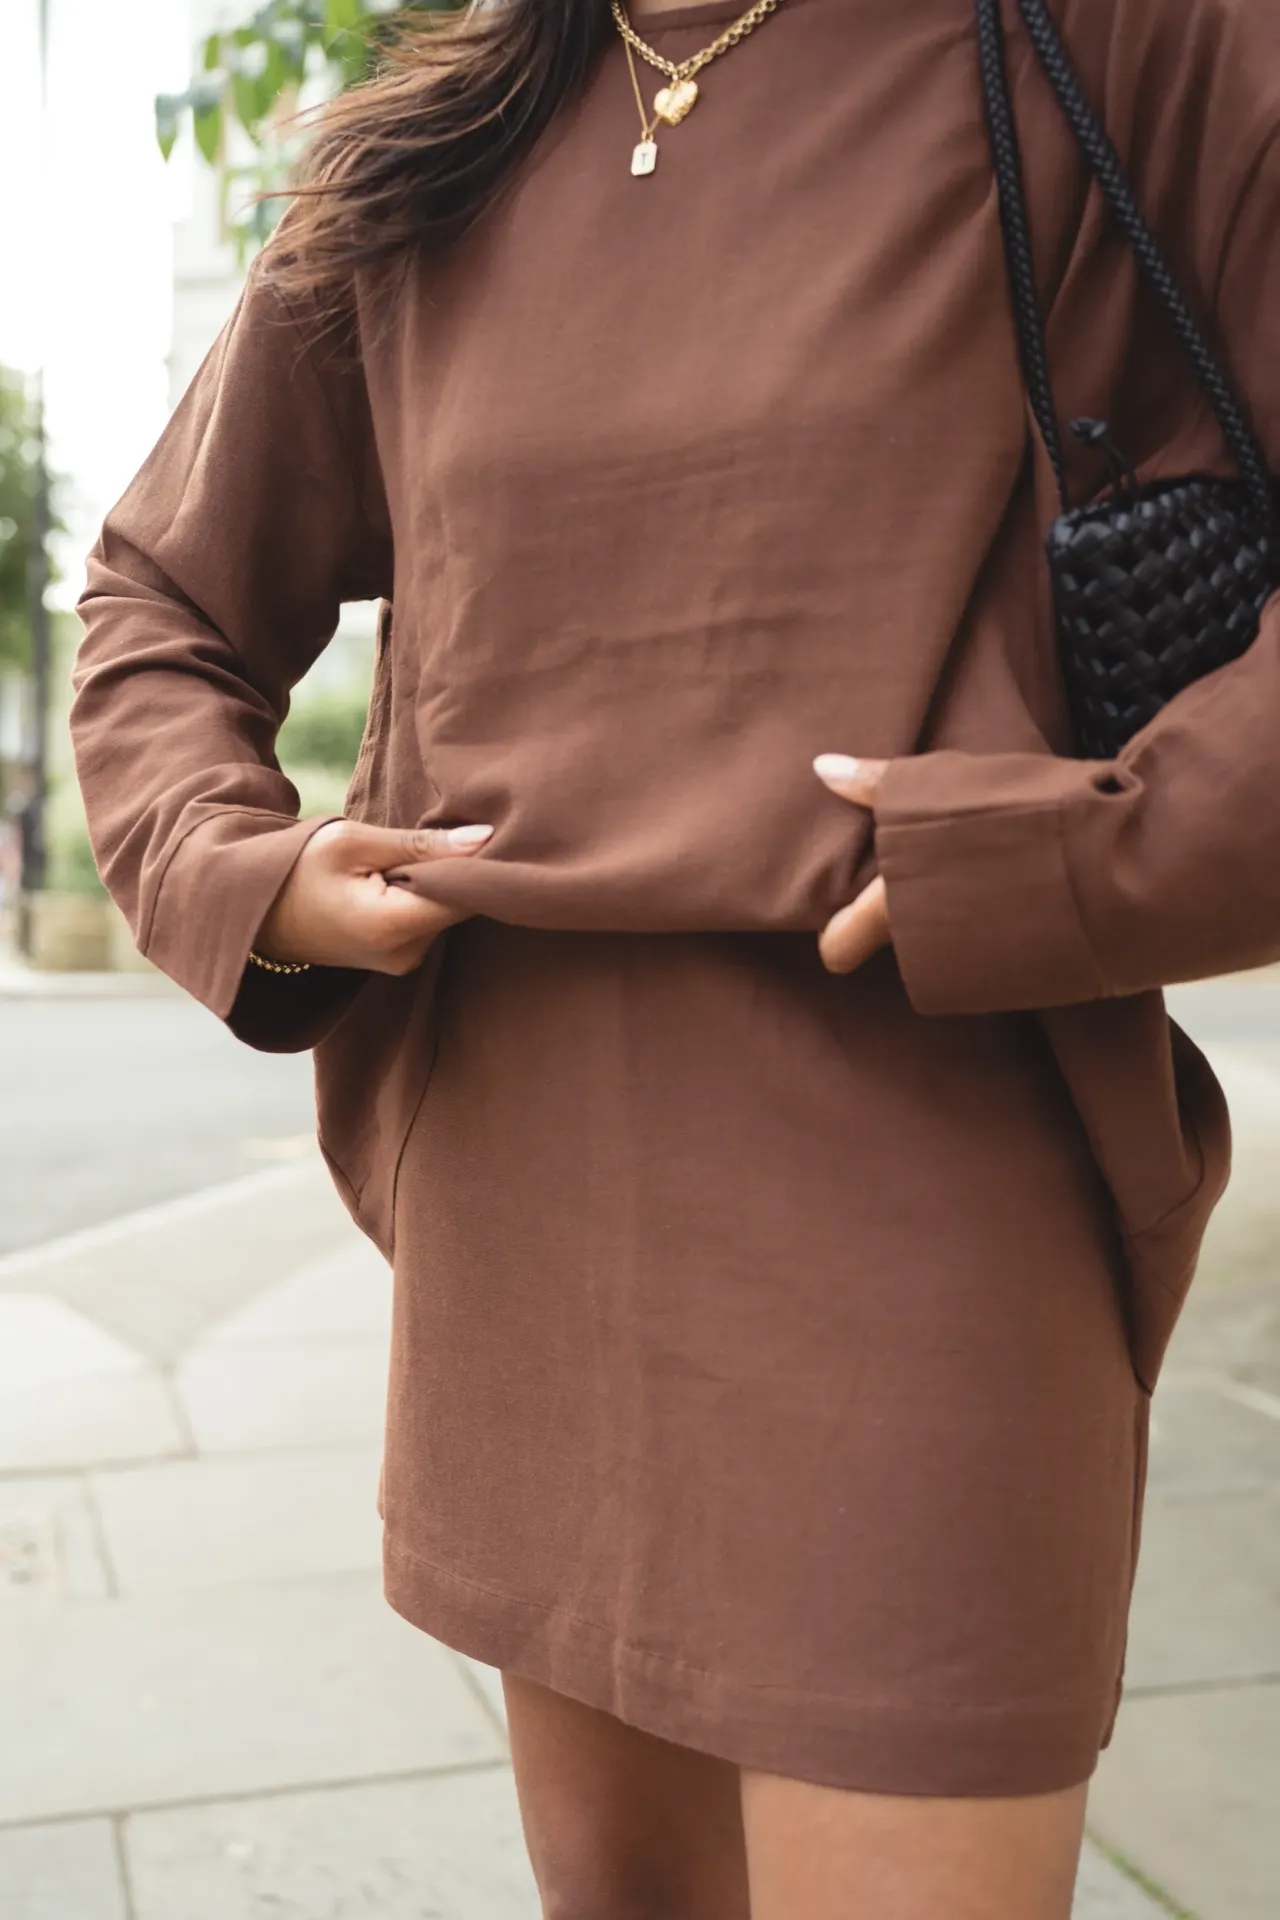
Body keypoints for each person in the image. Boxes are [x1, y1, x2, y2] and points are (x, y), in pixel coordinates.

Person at [70, 1, 1280, 1913]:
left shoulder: (1123, 37)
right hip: (520, 1208)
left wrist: (1086, 855)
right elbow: (156, 598)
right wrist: (246, 867)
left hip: (924, 1194)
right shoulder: (436, 135)